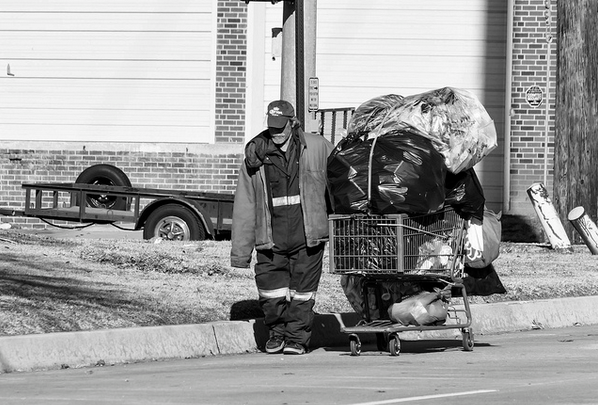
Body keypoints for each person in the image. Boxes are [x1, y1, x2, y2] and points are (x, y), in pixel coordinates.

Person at [231, 100, 334, 355]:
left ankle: (297, 339)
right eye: (272, 127)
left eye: (281, 127)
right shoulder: (255, 156)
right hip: (270, 238)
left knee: (302, 294)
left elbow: (340, 182)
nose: (276, 133)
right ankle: (277, 334)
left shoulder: (318, 147)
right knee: (271, 293)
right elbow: (244, 204)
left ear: (293, 123)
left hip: (307, 236)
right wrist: (240, 253)